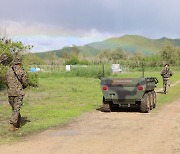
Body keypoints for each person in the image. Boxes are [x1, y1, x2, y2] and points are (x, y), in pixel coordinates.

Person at [6, 56, 28, 131]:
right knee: (16, 109)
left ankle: (18, 123)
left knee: (14, 109)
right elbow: (25, 82)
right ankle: (13, 125)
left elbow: (6, 81)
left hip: (10, 93)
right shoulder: (22, 71)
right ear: (20, 63)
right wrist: (22, 87)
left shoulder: (9, 70)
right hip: (18, 92)